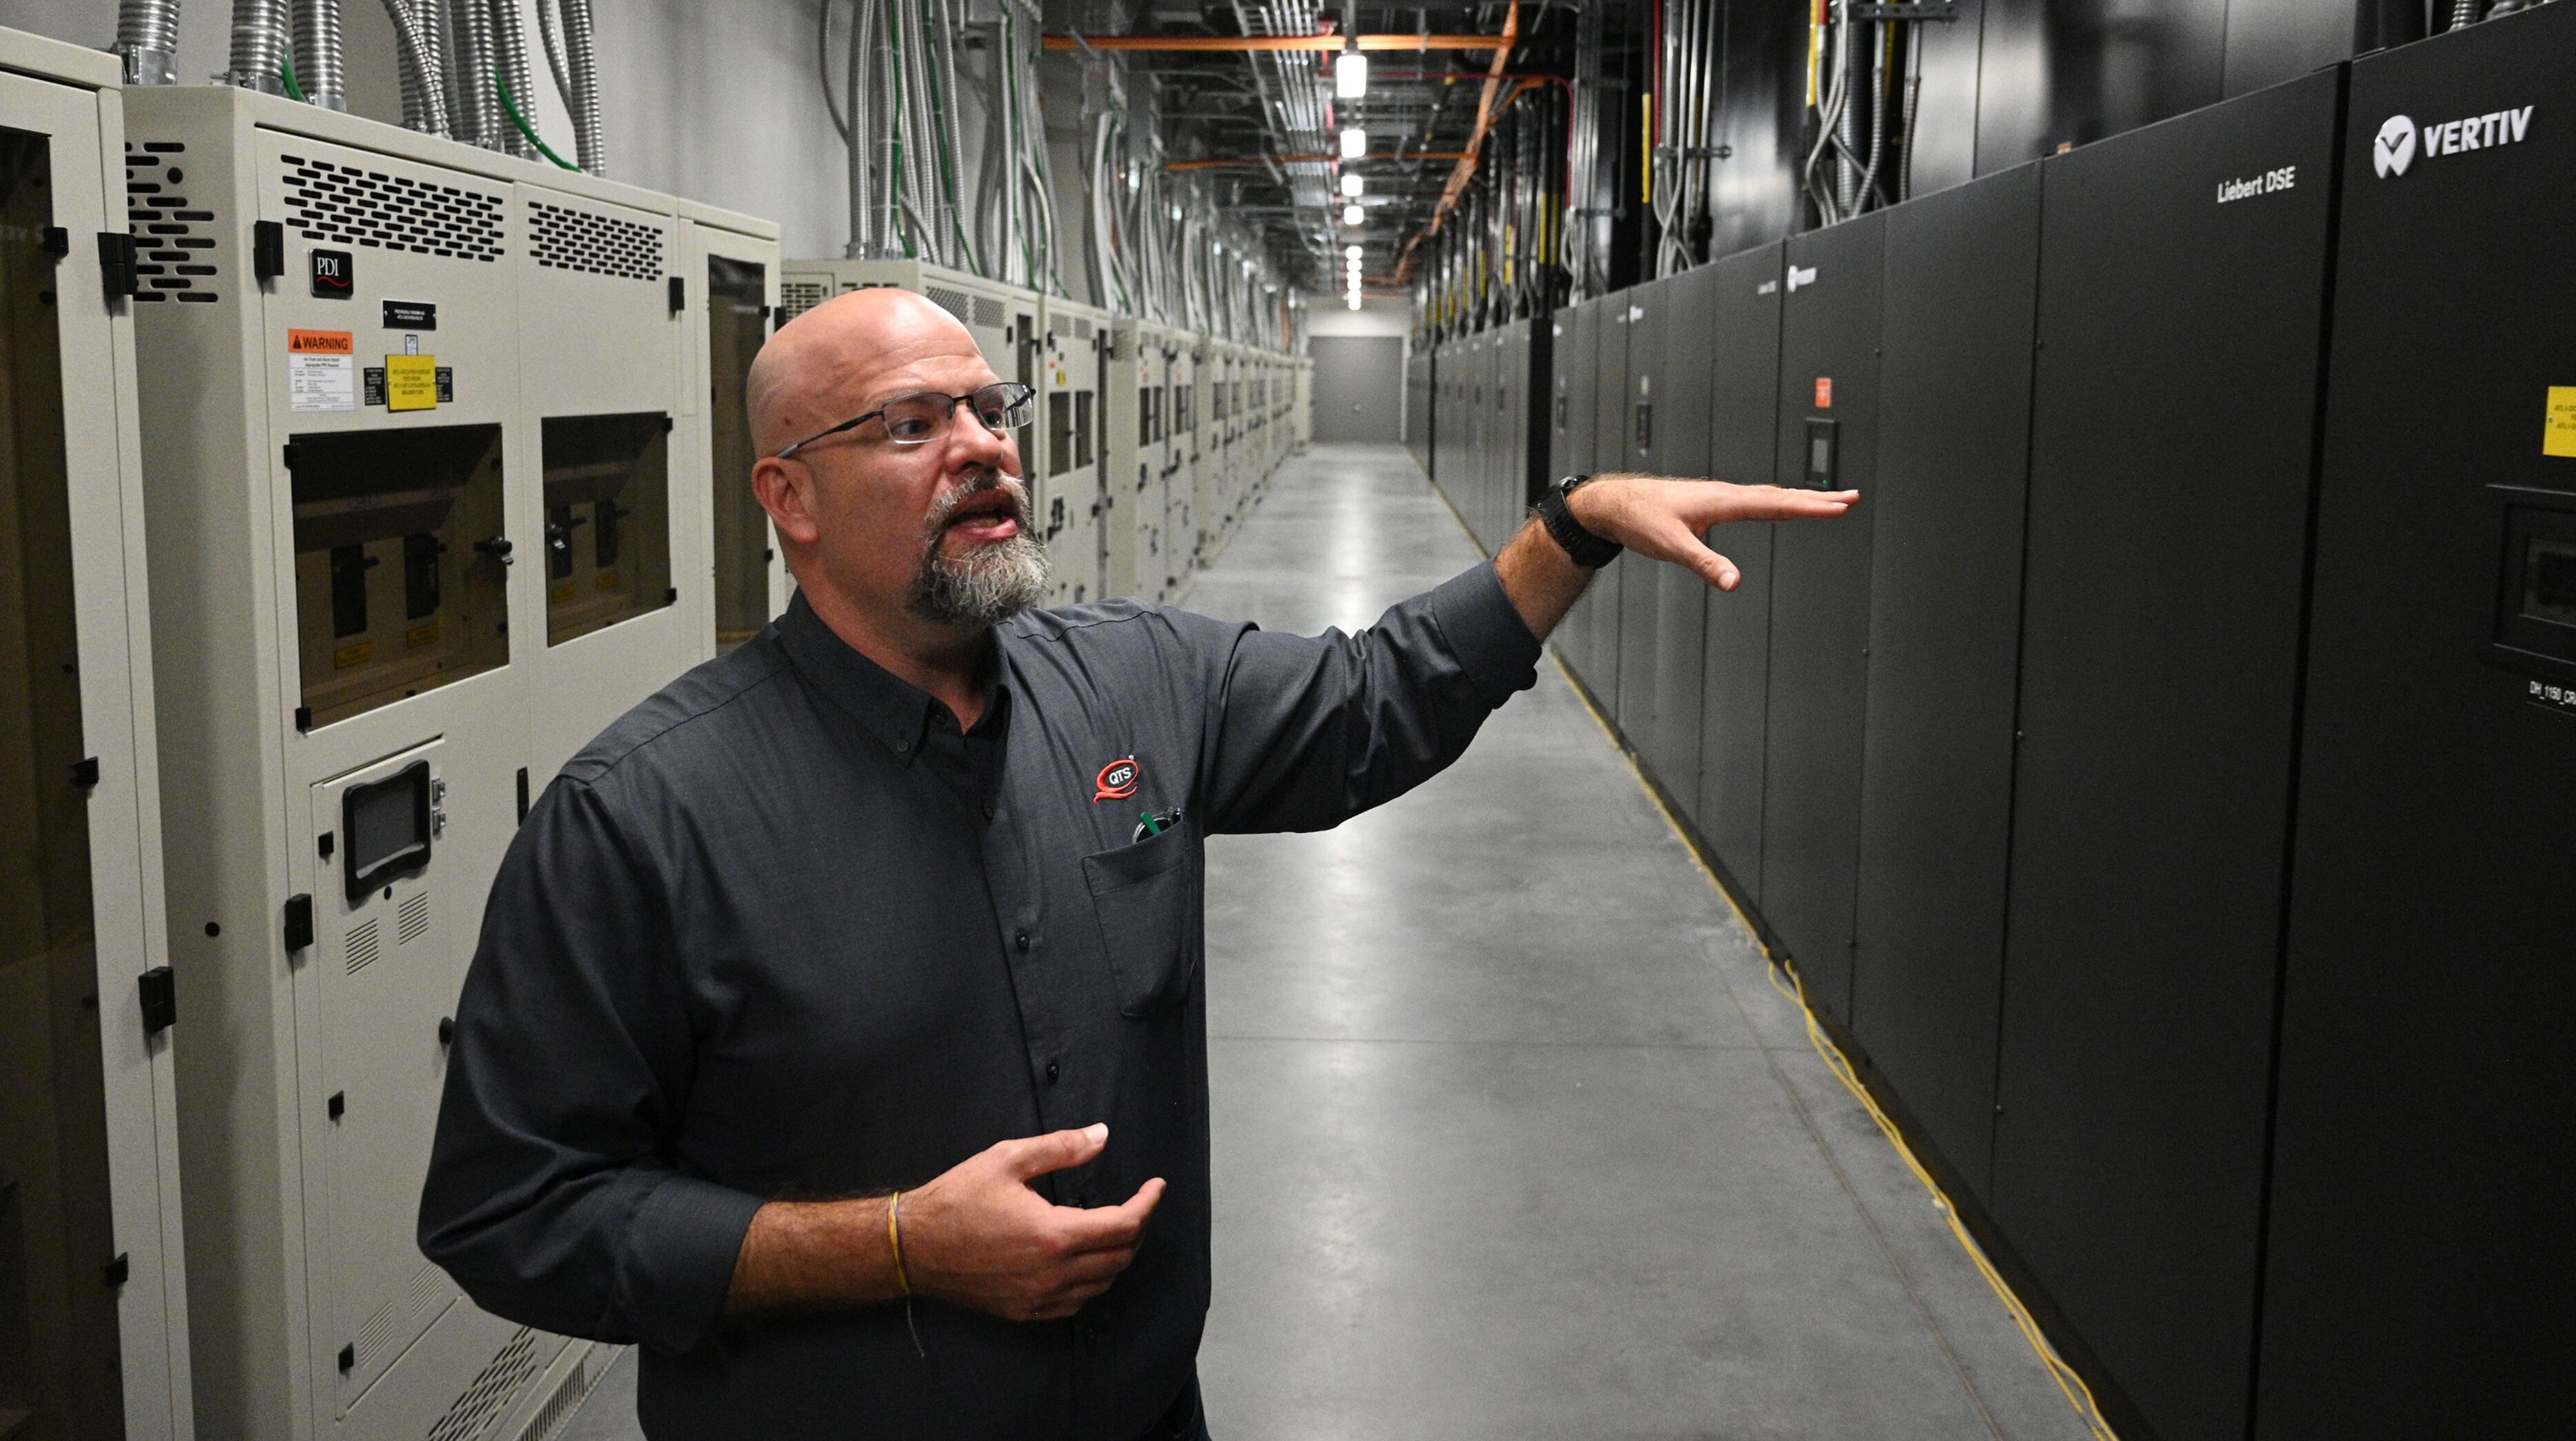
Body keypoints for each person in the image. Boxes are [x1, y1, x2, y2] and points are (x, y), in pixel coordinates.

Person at [418, 288, 1855, 1440]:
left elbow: (1380, 698)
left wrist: (1572, 528)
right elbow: (514, 1211)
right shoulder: (644, 817)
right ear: (788, 497)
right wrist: (901, 1244)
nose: (982, 443)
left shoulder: (1134, 683)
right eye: (912, 423)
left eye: (990, 406)